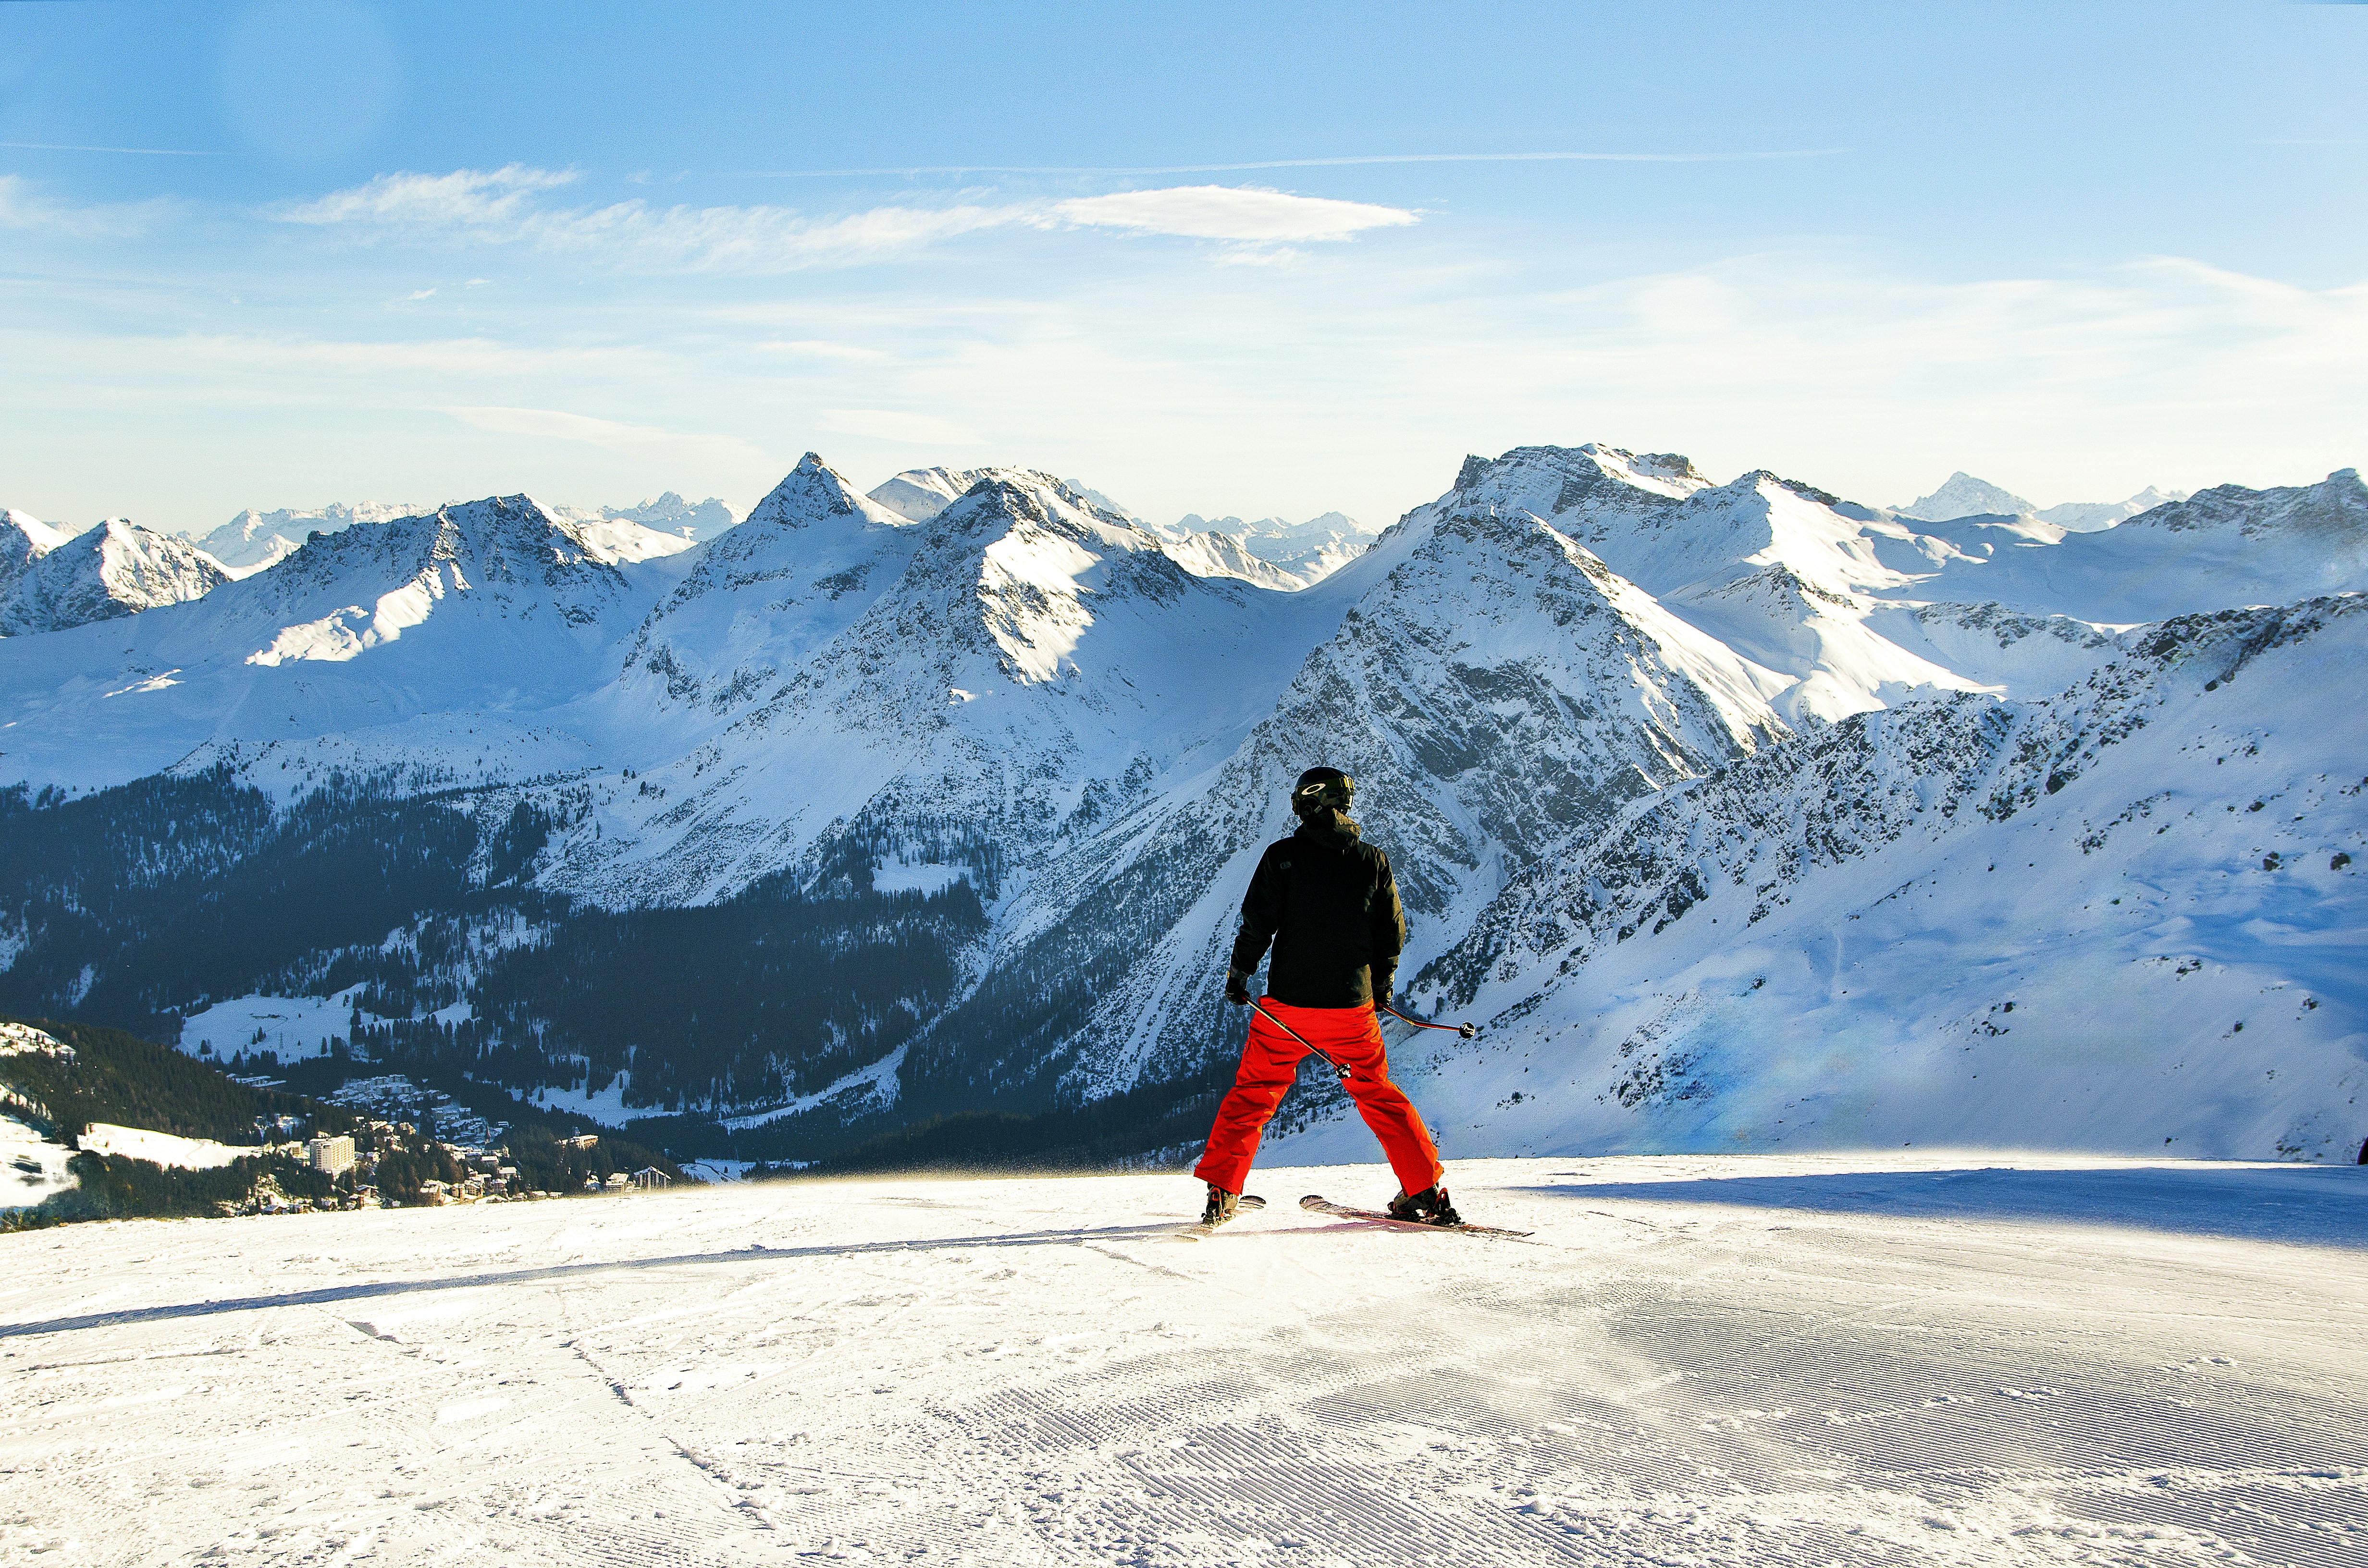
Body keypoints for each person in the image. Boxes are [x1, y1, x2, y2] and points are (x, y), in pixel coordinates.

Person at [1192, 766, 1461, 1227]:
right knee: (1376, 1092)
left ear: (1308, 805)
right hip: (1351, 1011)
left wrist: (1240, 976)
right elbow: (1390, 934)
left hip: (1287, 1010)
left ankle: (1223, 1191)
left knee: (1254, 1093)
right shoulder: (1371, 861)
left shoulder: (1282, 858)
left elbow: (1257, 924)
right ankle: (1423, 1191)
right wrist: (1380, 989)